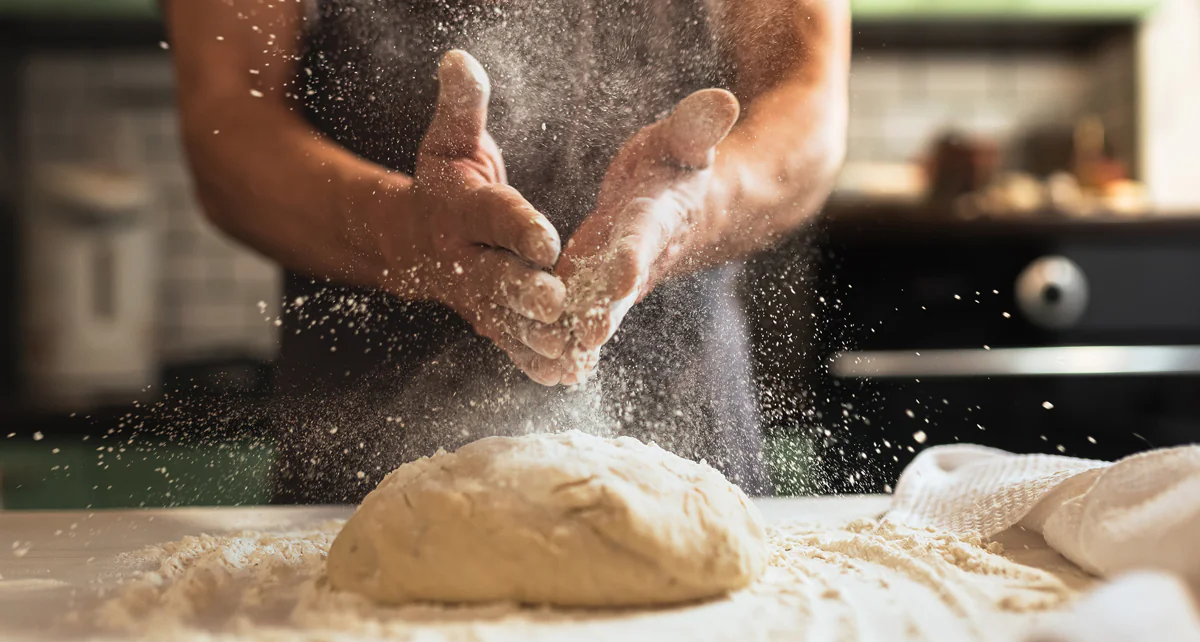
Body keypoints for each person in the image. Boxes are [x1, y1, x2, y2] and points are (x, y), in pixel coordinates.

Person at [163, 0, 849, 503]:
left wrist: (691, 207)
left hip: (688, 445)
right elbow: (228, 122)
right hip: (364, 469)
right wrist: (409, 235)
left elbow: (808, 104)